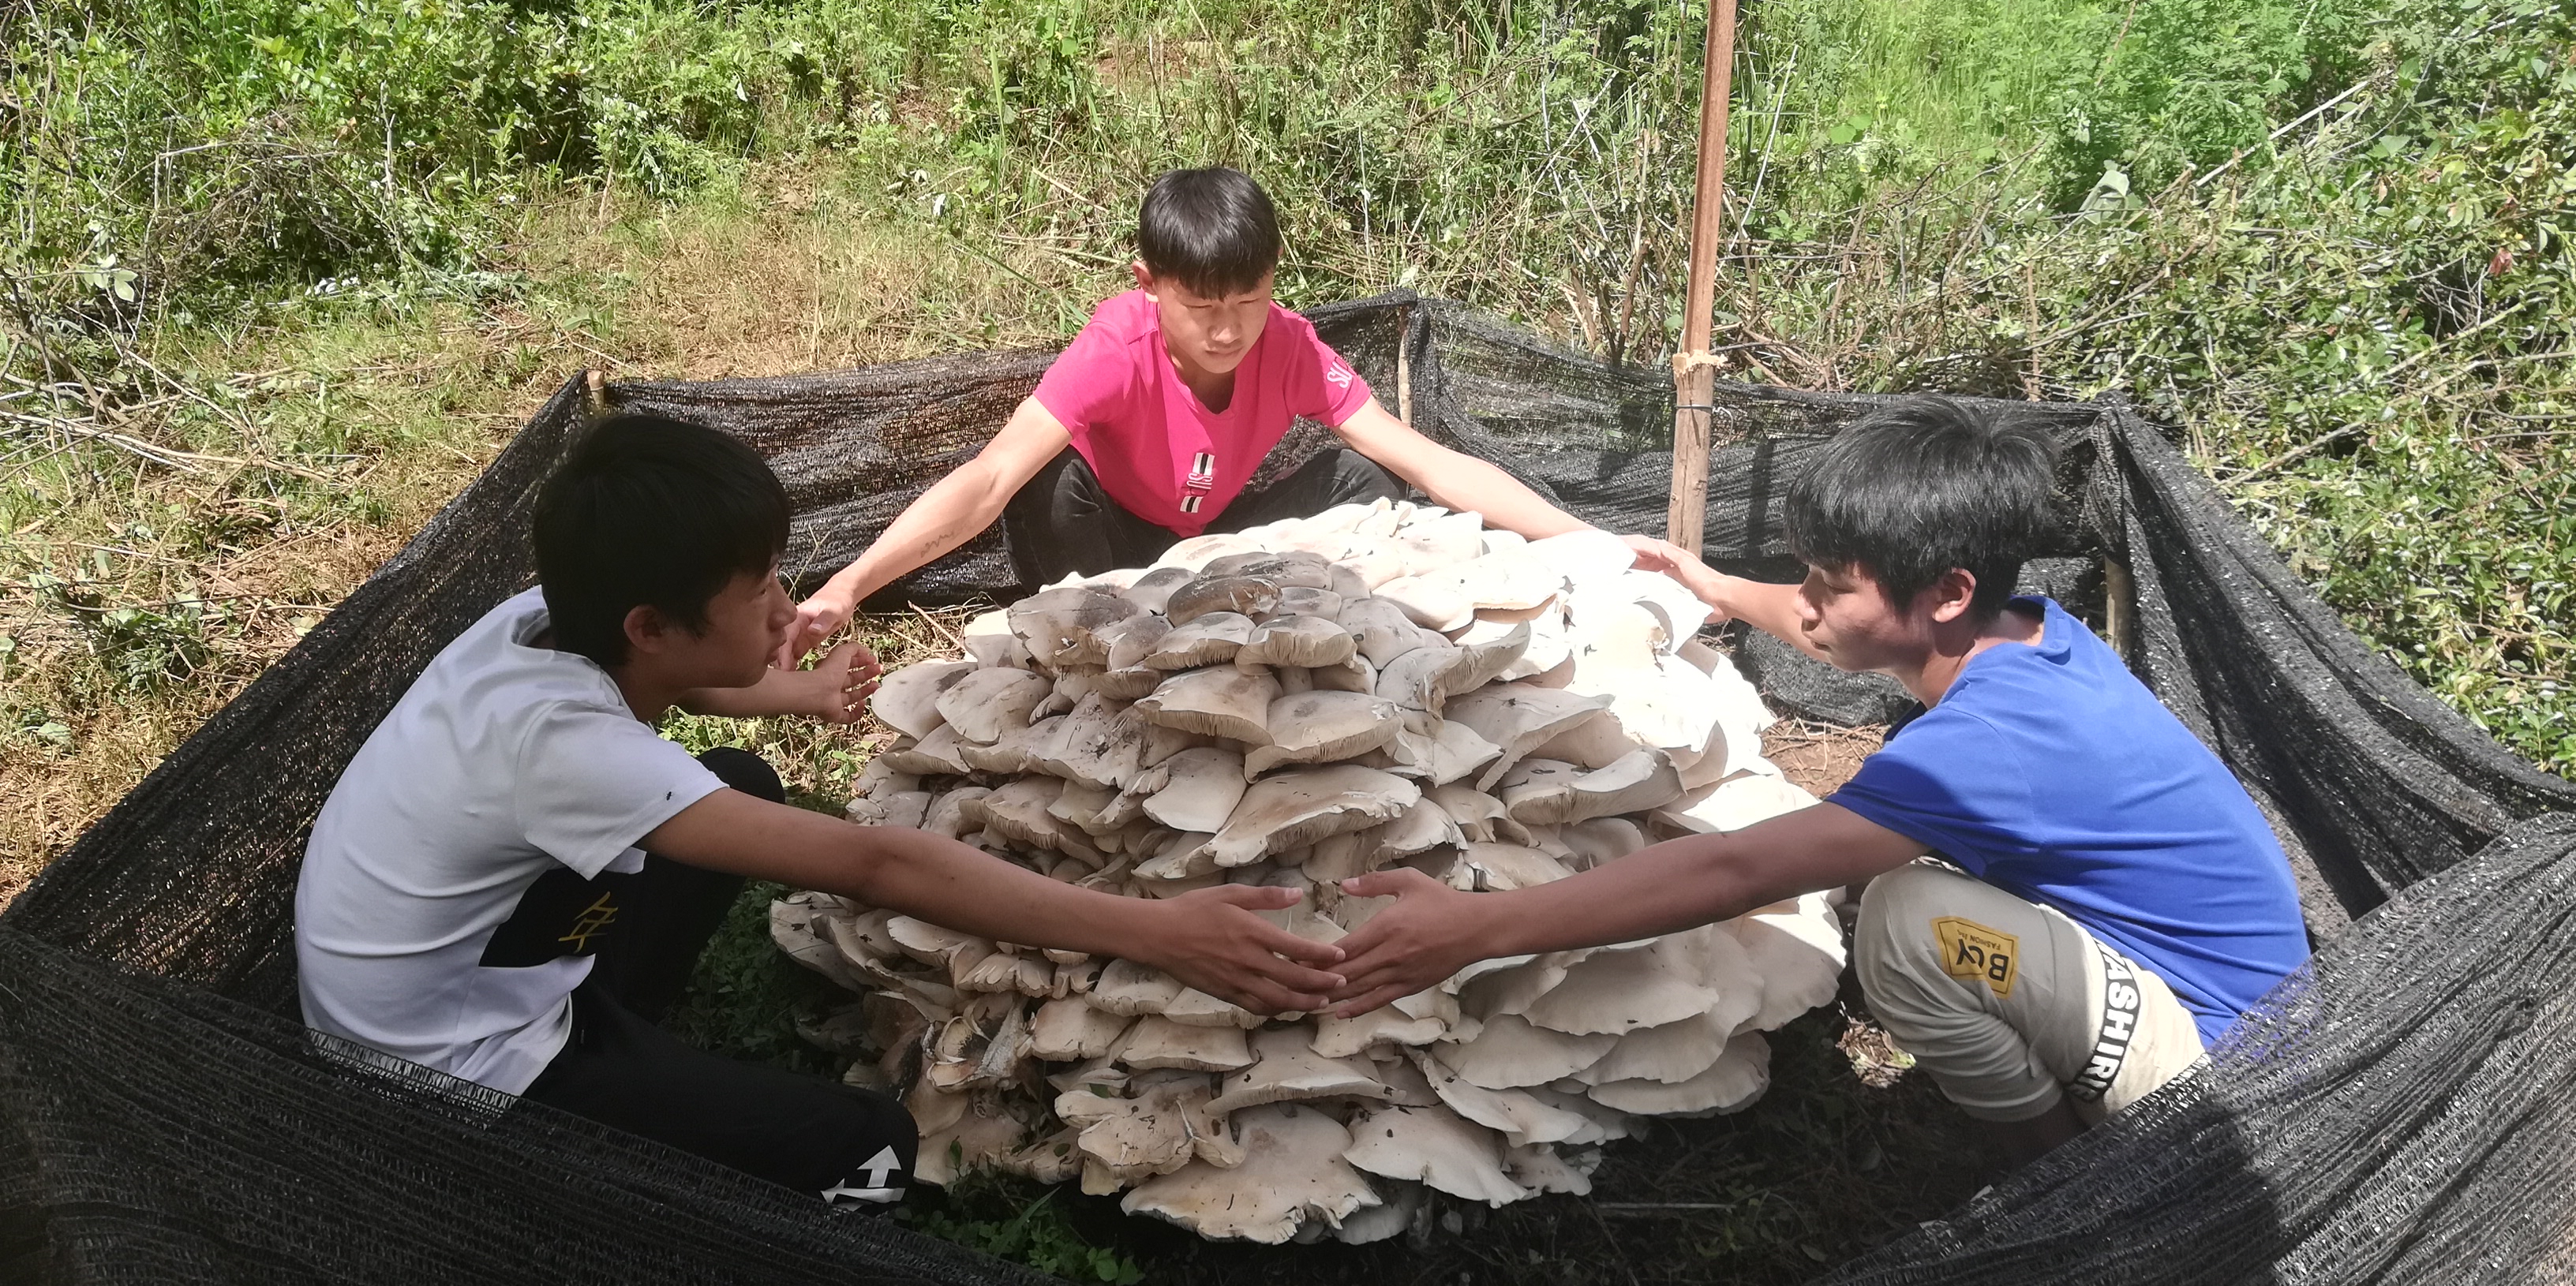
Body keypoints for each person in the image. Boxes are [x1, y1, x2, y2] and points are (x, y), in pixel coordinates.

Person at [294, 413, 1344, 1209]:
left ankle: (635, 1051)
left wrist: (788, 692)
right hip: (440, 1068)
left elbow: (678, 681)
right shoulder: (563, 753)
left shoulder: (544, 619)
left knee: (741, 780)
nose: (785, 609)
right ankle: (648, 1169)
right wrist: (1159, 932)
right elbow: (878, 866)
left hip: (463, 965)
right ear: (651, 623)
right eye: (756, 593)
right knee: (870, 1143)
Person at [1322, 396, 2311, 1167]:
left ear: (1949, 591)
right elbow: (1825, 627)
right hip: (2232, 1001)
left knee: (1908, 926)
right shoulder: (2027, 631)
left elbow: (1738, 871)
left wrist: (1478, 927)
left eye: (1831, 585)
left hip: (2232, 1073)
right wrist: (1711, 585)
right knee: (1915, 895)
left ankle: (2074, 1185)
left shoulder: (1987, 743)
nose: (1807, 606)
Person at [777, 165, 1625, 669]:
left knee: (1365, 475)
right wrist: (849, 585)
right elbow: (991, 477)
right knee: (1051, 482)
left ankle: (1294, 636)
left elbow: (1431, 462)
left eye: (1248, 301)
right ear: (1150, 285)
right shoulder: (1116, 347)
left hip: (1220, 546)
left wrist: (1594, 542)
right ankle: (1099, 647)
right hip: (1112, 548)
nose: (1227, 331)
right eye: (1201, 306)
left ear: (1273, 277)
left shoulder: (1289, 347)